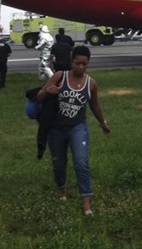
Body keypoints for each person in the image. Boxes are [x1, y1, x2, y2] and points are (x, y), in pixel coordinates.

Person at [36, 45, 111, 214]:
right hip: (56, 129)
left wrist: (103, 124)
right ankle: (62, 190)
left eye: (85, 64)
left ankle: (86, 201)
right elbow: (39, 97)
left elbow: (95, 106)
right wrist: (47, 90)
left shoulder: (91, 84)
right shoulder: (60, 76)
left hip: (77, 128)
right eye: (78, 63)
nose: (81, 67)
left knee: (81, 163)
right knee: (59, 163)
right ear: (72, 62)